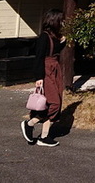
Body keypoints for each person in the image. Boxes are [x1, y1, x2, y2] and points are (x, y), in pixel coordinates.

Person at [21, 8, 66, 147]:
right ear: (54, 21)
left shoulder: (56, 36)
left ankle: (44, 137)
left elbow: (55, 52)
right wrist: (39, 77)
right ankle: (30, 123)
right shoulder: (44, 37)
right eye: (61, 20)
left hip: (55, 69)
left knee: (50, 103)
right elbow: (39, 57)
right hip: (46, 70)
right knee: (54, 103)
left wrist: (63, 42)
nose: (63, 23)